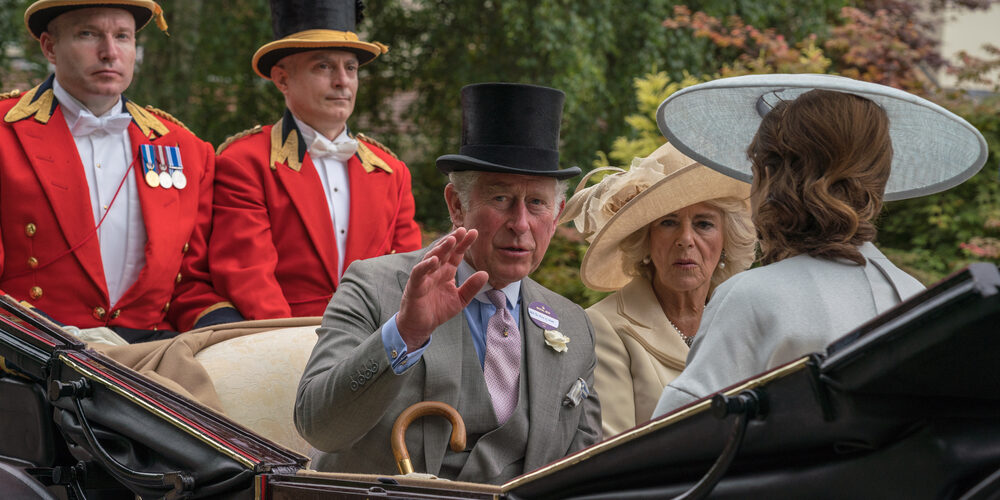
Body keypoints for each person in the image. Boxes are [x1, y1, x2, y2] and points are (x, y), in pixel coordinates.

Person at [295, 83, 601, 484]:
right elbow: (319, 427)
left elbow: (587, 469)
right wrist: (405, 334)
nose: (521, 223)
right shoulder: (373, 286)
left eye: (537, 203)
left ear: (557, 215)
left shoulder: (573, 324)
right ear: (457, 205)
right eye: (501, 199)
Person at [651, 74, 989, 416]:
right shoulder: (915, 298)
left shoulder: (751, 297)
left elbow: (677, 430)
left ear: (770, 176)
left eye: (755, 170)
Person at [0, 0, 239, 341]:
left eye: (123, 36)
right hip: (31, 353)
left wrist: (231, 336)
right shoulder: (5, 134)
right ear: (50, 47)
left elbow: (190, 284)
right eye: (88, 34)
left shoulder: (187, 149)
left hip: (152, 357)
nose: (109, 52)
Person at [210, 0, 421, 319]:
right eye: (324, 66)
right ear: (282, 80)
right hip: (283, 336)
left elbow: (407, 278)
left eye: (351, 68)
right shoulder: (245, 162)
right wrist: (295, 343)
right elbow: (248, 277)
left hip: (374, 336)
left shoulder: (392, 171)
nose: (342, 81)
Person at [560, 141, 754, 436]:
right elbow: (614, 447)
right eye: (668, 222)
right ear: (646, 239)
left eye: (703, 224)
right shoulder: (602, 326)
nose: (685, 239)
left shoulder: (742, 319)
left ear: (726, 240)